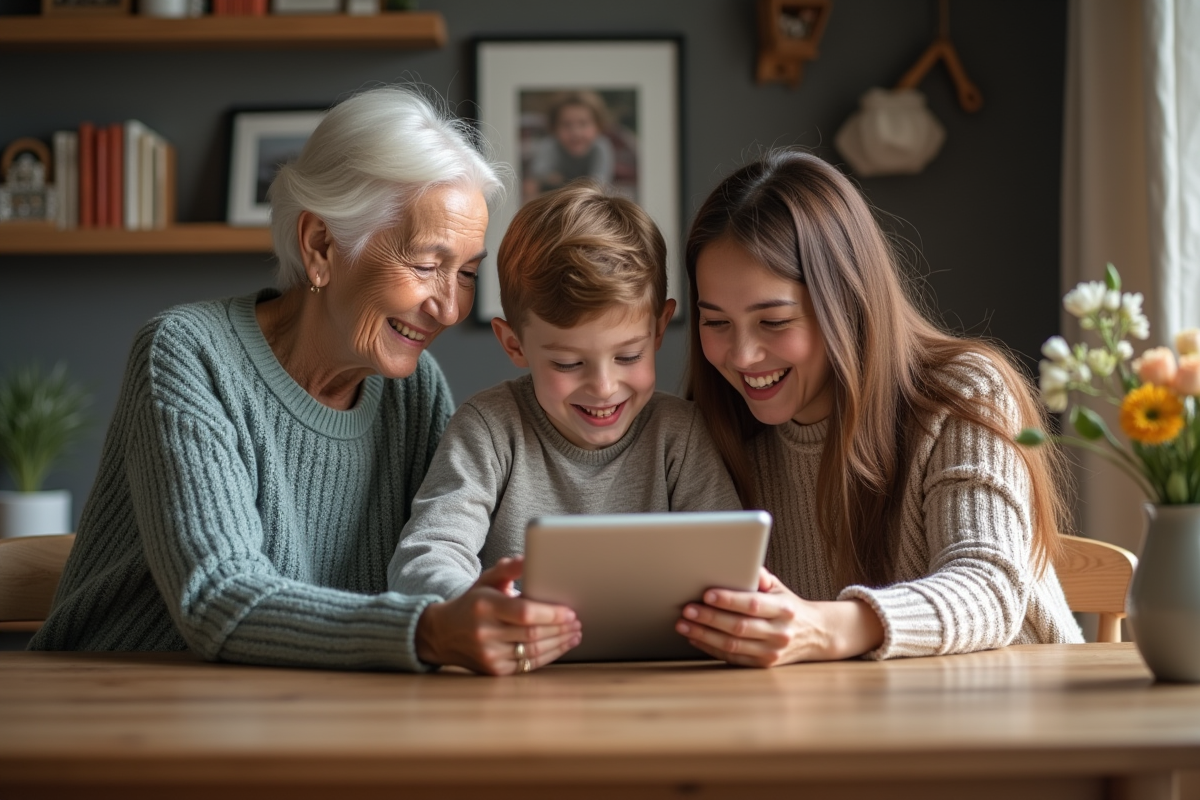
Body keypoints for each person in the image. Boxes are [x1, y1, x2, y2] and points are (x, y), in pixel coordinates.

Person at [29, 85, 582, 676]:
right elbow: (220, 598)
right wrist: (428, 632)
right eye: (425, 265)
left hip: (300, 707)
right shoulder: (189, 354)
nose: (449, 309)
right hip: (115, 703)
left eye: (466, 273)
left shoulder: (414, 390)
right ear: (321, 245)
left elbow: (437, 561)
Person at [675, 150, 1083, 667]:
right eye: (716, 322)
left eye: (773, 322)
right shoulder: (715, 431)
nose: (741, 356)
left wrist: (824, 626)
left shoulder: (964, 393)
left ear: (845, 302)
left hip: (1023, 716)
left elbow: (989, 588)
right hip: (862, 727)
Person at [388, 181, 742, 633]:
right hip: (520, 670)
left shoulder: (681, 434)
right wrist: (470, 607)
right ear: (514, 344)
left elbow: (728, 565)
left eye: (628, 356)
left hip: (660, 677)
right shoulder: (489, 429)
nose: (603, 386)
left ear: (658, 331)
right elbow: (427, 554)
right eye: (569, 362)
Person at [522, 91, 615, 203]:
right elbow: (538, 174)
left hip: (588, 202)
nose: (575, 133)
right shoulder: (549, 145)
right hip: (553, 200)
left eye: (583, 123)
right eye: (566, 124)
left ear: (598, 126)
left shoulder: (601, 147)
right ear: (554, 128)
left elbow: (599, 183)